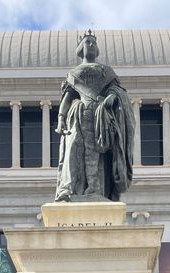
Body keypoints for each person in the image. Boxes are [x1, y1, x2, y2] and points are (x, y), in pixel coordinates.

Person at [55, 30, 135, 202]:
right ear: (80, 48)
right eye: (87, 42)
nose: (91, 44)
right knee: (73, 149)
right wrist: (61, 119)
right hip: (77, 115)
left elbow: (117, 91)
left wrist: (113, 96)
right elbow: (67, 98)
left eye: (93, 42)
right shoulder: (74, 73)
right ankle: (67, 189)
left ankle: (94, 189)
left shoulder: (106, 72)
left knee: (95, 152)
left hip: (98, 117)